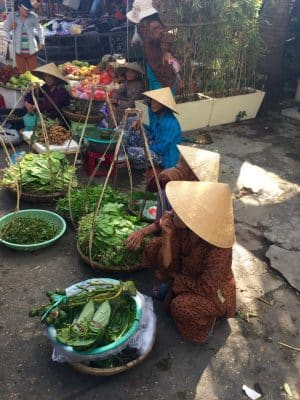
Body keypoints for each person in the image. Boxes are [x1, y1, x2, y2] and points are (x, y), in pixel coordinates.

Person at [142, 181, 236, 343]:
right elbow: (166, 266)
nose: (171, 212)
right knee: (154, 246)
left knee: (181, 307)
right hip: (186, 273)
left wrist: (176, 278)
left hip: (213, 291)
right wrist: (167, 237)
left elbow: (206, 288)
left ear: (198, 220)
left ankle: (207, 321)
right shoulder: (180, 225)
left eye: (181, 210)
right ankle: (174, 288)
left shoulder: (219, 250)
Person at [125, 146, 220, 251]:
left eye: (182, 163)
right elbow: (151, 188)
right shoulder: (176, 177)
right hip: (168, 222)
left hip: (187, 235)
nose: (177, 166)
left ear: (193, 173)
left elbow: (172, 219)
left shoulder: (199, 194)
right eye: (179, 161)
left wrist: (143, 232)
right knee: (165, 190)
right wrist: (161, 175)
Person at [127, 0, 178, 92]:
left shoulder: (153, 25)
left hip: (159, 66)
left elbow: (166, 37)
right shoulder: (148, 25)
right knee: (156, 94)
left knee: (161, 96)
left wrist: (167, 52)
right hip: (153, 64)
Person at [125, 86, 182, 170]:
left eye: (155, 101)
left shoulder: (170, 123)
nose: (152, 103)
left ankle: (141, 164)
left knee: (132, 151)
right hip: (156, 145)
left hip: (164, 157)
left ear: (163, 104)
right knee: (134, 131)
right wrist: (141, 125)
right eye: (152, 100)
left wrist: (145, 147)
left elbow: (162, 148)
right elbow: (152, 131)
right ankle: (137, 163)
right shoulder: (158, 116)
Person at [3, 0, 45, 73]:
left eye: (29, 9)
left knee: (34, 72)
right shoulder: (12, 16)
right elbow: (5, 30)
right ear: (19, 6)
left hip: (31, 51)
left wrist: (42, 41)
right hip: (18, 51)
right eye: (25, 8)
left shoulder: (33, 16)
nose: (27, 11)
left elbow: (40, 29)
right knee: (21, 73)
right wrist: (10, 26)